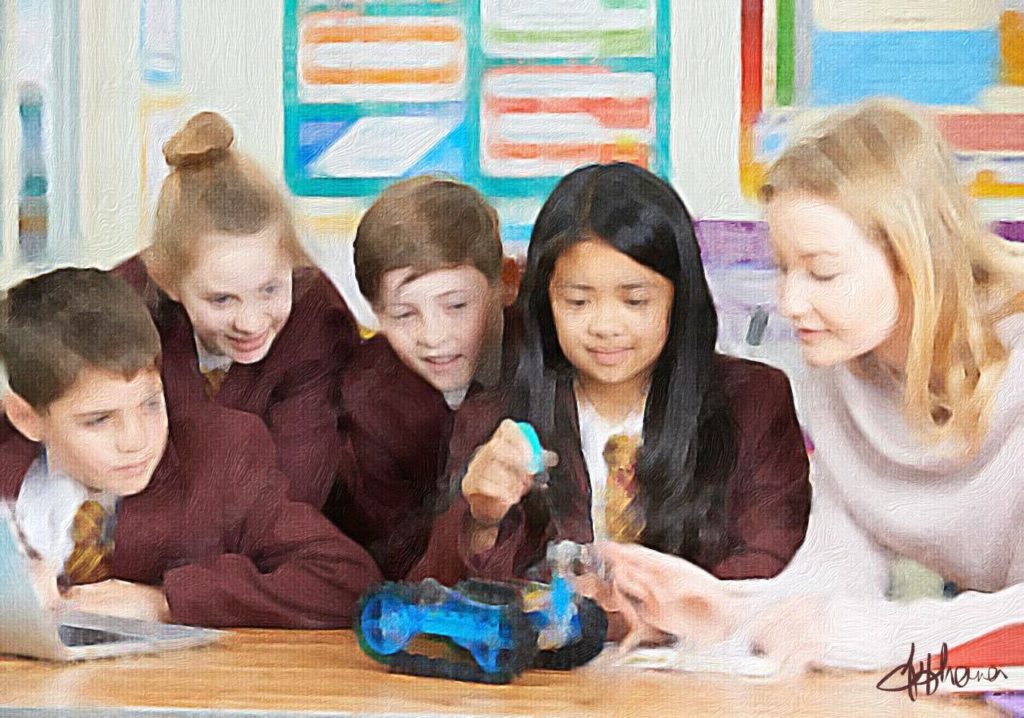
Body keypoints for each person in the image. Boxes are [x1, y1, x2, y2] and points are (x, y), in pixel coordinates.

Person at [595, 100, 1024, 670]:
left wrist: (866, 636)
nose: (790, 303)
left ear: (914, 259)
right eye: (782, 267)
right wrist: (724, 612)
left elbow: (860, 625)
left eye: (822, 271)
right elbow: (841, 568)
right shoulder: (841, 363)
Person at [409, 163, 811, 603]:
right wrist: (481, 518)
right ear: (546, 301)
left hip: (700, 666)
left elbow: (771, 568)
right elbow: (432, 600)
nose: (605, 326)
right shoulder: (494, 415)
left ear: (679, 297)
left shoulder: (754, 401)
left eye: (635, 300)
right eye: (578, 301)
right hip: (552, 671)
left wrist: (649, 611)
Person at [0, 268, 380, 628]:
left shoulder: (217, 456)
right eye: (99, 420)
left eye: (151, 404)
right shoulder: (9, 467)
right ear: (27, 418)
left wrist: (165, 601)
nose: (135, 441)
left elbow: (347, 579)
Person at [115, 112, 358, 507]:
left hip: (274, 544)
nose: (251, 322)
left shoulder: (317, 319)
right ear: (167, 280)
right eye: (221, 299)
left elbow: (296, 493)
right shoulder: (119, 308)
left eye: (270, 289)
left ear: (291, 262)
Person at [328, 177, 512, 579]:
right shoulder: (369, 399)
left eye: (457, 305)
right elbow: (394, 558)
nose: (434, 336)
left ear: (502, 286)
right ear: (376, 313)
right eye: (404, 314)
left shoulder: (534, 364)